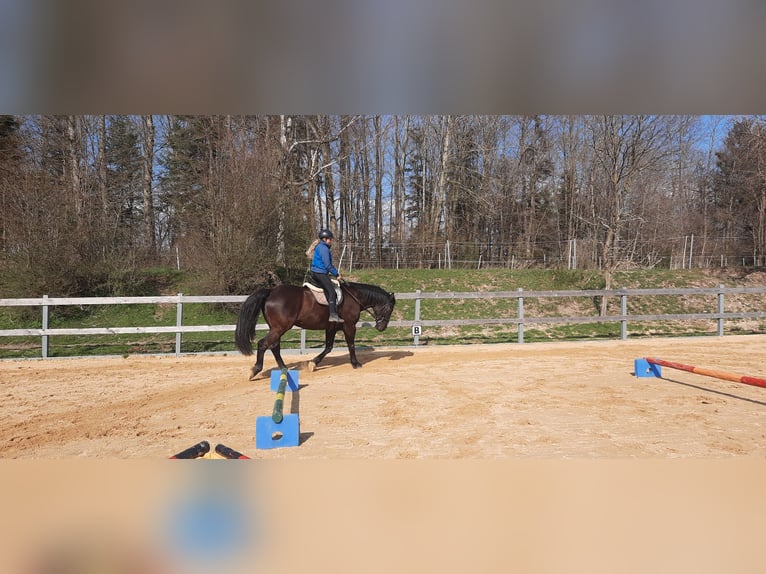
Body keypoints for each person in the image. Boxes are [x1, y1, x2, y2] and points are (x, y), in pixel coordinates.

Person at [308, 228, 343, 322]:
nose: (331, 241)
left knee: (327, 289)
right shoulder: (324, 249)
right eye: (330, 239)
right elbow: (328, 265)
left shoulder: (319, 247)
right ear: (325, 239)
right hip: (320, 273)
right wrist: (337, 274)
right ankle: (332, 315)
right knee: (332, 292)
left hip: (316, 272)